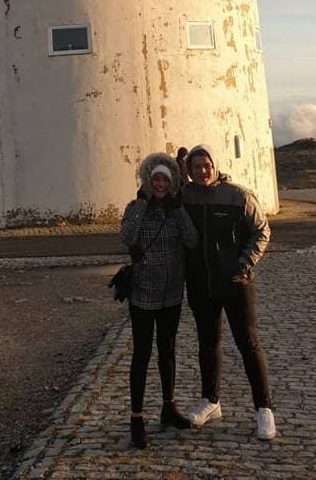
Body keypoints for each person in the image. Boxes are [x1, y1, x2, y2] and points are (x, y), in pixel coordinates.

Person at [181, 144, 276, 440]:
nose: (202, 171)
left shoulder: (238, 195)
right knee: (208, 344)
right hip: (201, 283)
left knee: (248, 344)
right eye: (196, 167)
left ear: (215, 165)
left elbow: (262, 230)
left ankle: (264, 409)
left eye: (206, 165)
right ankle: (211, 402)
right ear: (189, 171)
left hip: (235, 283)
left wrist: (243, 264)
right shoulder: (184, 197)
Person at [120, 152, 199, 449]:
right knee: (141, 354)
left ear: (172, 182)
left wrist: (177, 210)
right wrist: (142, 203)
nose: (161, 185)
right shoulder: (135, 208)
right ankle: (136, 417)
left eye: (165, 180)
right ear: (147, 181)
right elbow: (127, 237)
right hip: (143, 292)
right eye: (156, 180)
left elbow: (191, 239)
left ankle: (169, 407)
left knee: (167, 351)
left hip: (171, 293)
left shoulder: (175, 209)